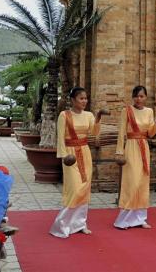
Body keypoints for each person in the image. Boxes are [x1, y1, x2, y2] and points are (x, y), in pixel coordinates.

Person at [50, 87, 105, 238]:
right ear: (73, 100)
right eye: (81, 98)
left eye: (86, 98)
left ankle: (80, 223)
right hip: (70, 156)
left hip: (85, 153)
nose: (84, 101)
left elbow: (94, 132)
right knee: (74, 189)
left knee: (84, 190)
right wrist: (63, 156)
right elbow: (60, 137)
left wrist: (98, 117)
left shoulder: (88, 115)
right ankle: (62, 224)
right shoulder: (64, 115)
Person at [114, 86, 156, 229]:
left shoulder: (149, 111)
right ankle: (123, 220)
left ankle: (140, 218)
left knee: (142, 182)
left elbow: (151, 133)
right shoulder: (126, 111)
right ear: (133, 97)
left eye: (141, 96)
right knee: (132, 182)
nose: (139, 99)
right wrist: (119, 152)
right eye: (136, 96)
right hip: (131, 148)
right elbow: (121, 132)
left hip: (144, 147)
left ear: (146, 97)